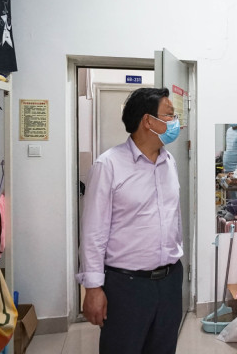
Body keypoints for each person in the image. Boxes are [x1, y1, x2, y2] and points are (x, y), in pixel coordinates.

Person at [76, 88, 184, 354]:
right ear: (148, 121)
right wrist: (93, 288)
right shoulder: (108, 165)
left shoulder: (169, 162)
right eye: (169, 115)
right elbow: (93, 233)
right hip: (127, 286)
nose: (176, 122)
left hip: (170, 282)